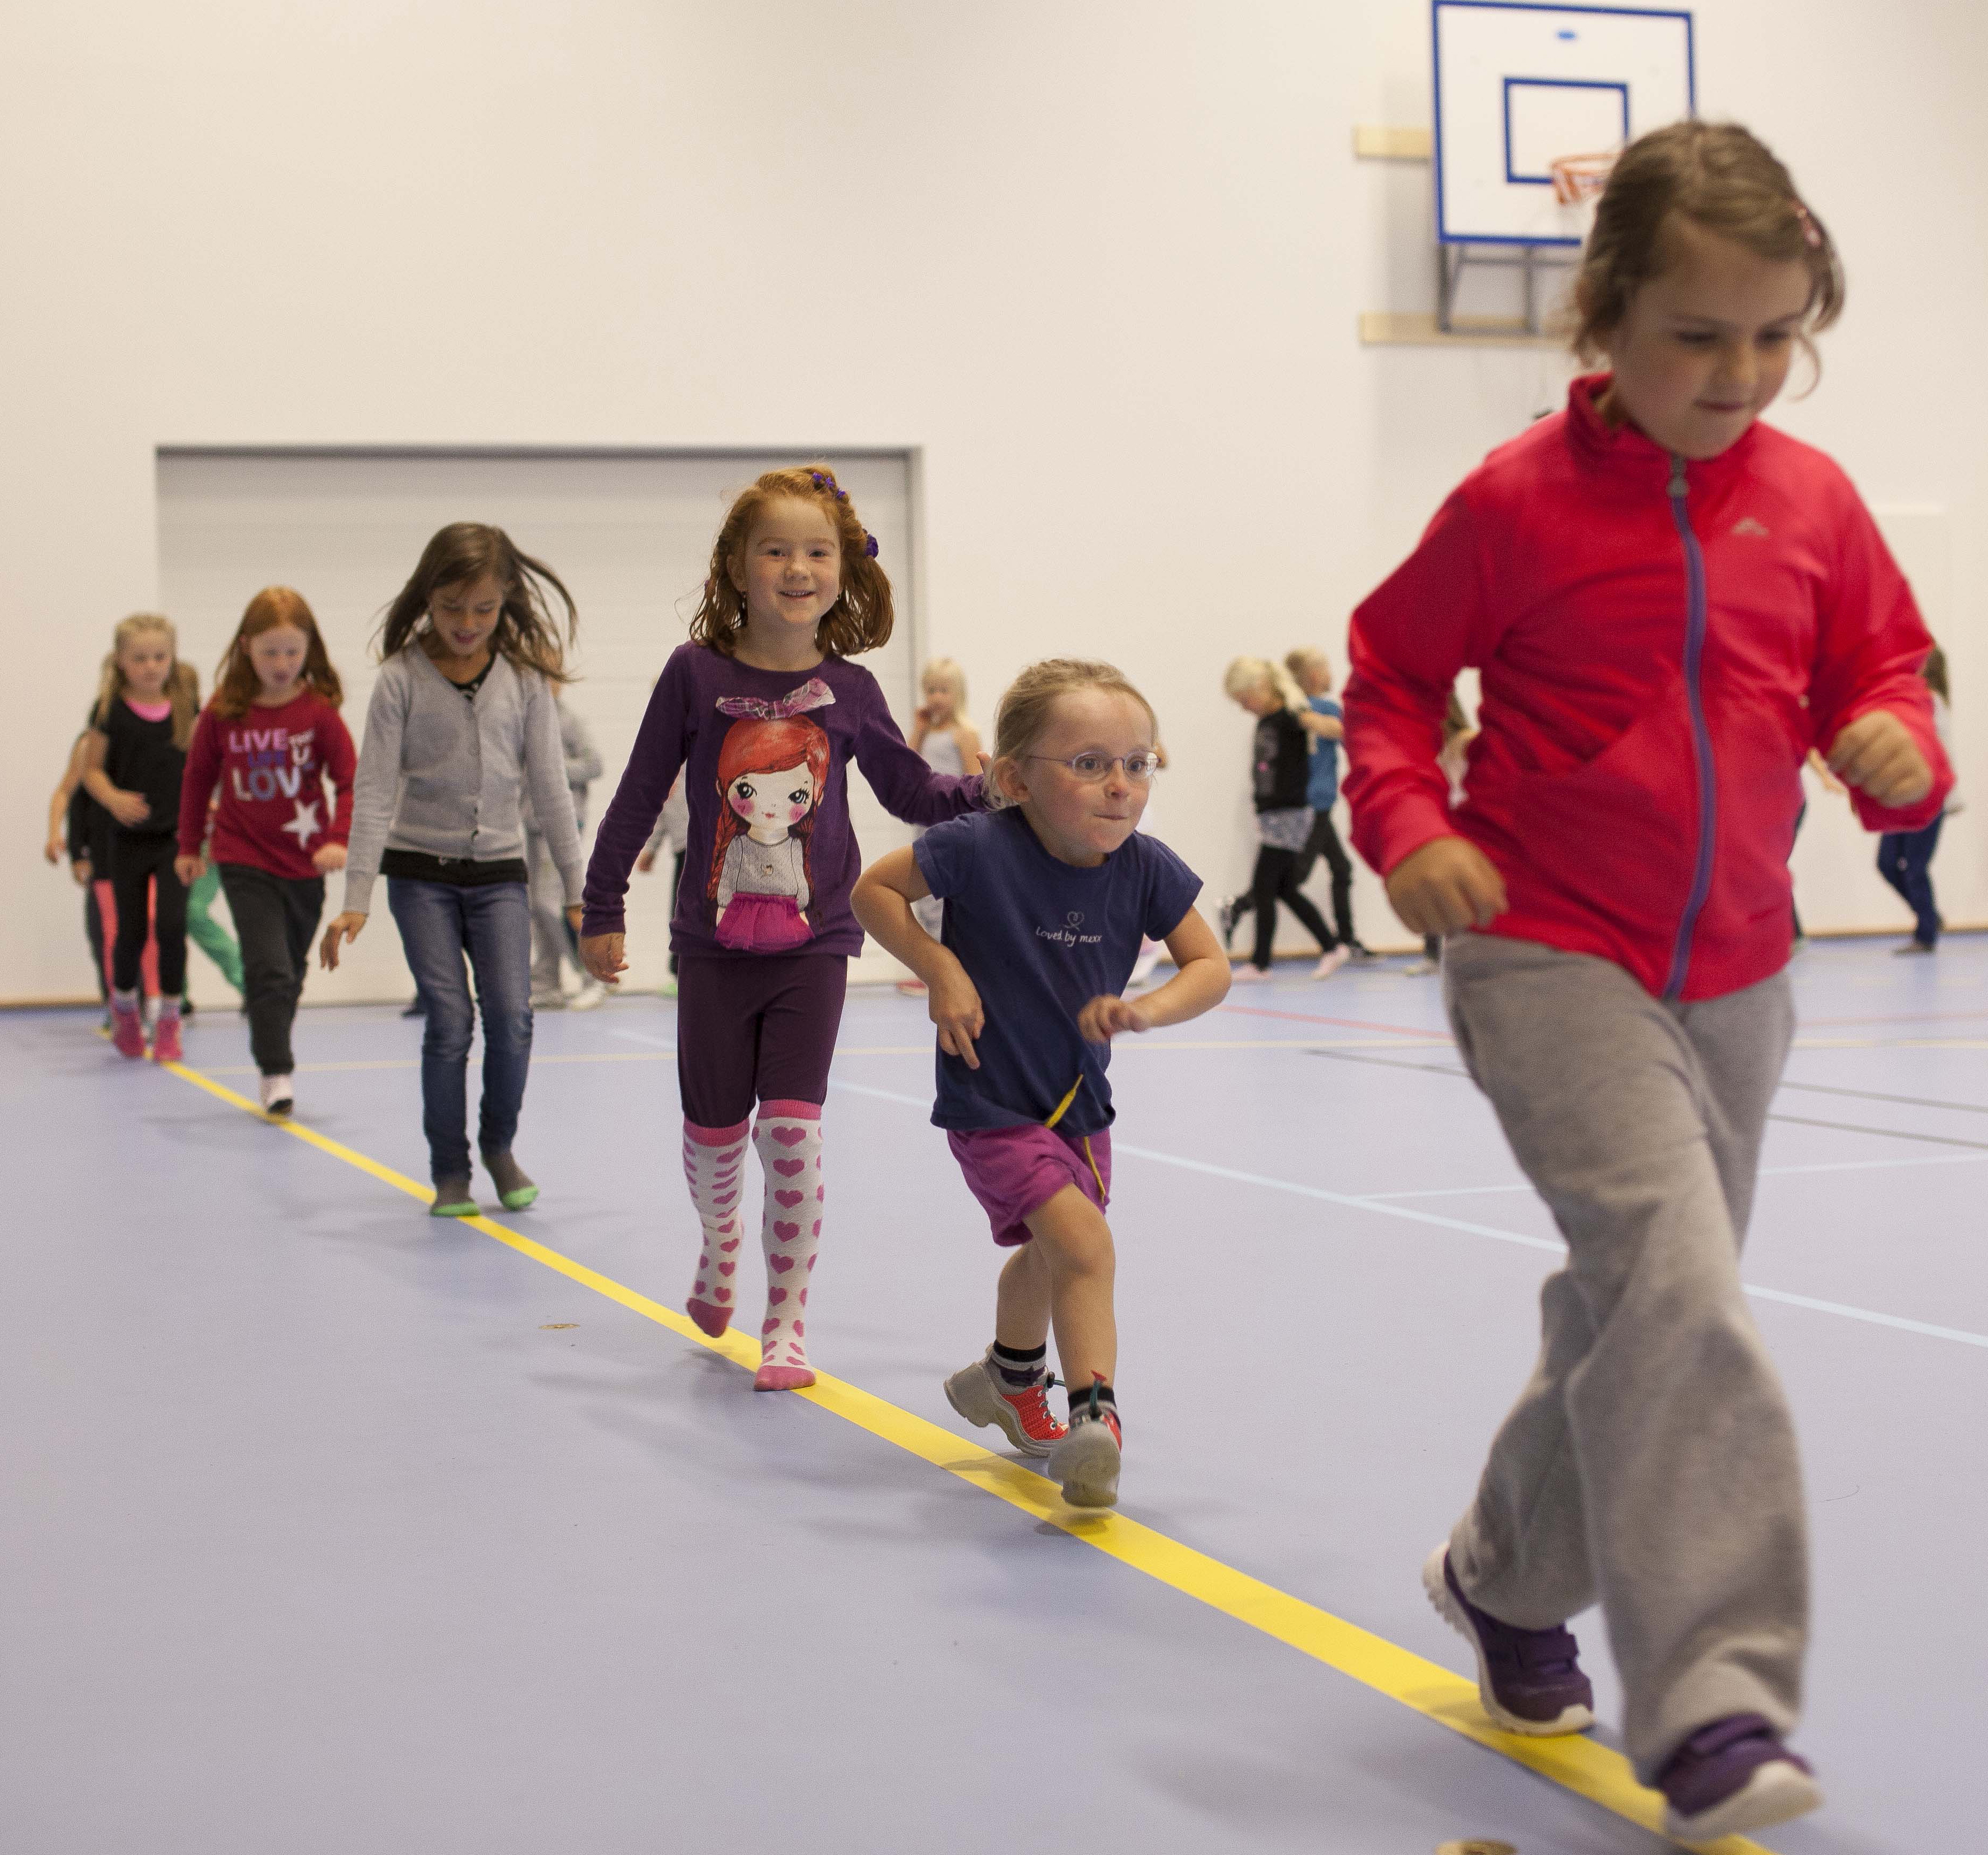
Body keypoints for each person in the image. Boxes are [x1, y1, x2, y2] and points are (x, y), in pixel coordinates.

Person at [1343, 121, 1949, 1845]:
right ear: (1601, 320)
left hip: (1739, 966)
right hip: (1542, 946)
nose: (1739, 373)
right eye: (1696, 334)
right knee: (1677, 1287)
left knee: (1632, 1307)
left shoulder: (1810, 500)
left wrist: (1895, 742)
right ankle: (1711, 1698)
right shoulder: (1512, 503)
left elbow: (1879, 660)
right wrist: (1401, 826)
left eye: (1774, 336)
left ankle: (1499, 1576)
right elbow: (1385, 675)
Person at [579, 465, 986, 1393]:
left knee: (792, 1134)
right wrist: (603, 907)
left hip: (817, 944)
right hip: (713, 949)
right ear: (736, 566)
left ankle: (787, 1322)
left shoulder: (848, 687)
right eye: (776, 549)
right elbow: (640, 794)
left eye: (817, 551)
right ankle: (720, 1243)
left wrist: (987, 789)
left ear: (843, 569)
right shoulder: (694, 675)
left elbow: (912, 790)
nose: (798, 568)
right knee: (716, 1135)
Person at [853, 659, 1227, 1508]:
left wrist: (1152, 1007)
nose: (1120, 786)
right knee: (1085, 1245)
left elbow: (1209, 963)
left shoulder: (1145, 867)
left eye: (1138, 763)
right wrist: (939, 965)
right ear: (1015, 778)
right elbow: (873, 890)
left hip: (1080, 1104)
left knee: (1049, 1248)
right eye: (1090, 763)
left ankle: (1009, 1378)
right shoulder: (975, 846)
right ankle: (1097, 1419)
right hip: (990, 1104)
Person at [320, 523, 585, 1217]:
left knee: (513, 1015)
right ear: (426, 600)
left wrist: (584, 892)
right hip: (420, 875)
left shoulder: (525, 681)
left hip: (499, 871)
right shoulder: (401, 680)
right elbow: (374, 789)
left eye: (483, 610)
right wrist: (356, 895)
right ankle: (450, 1168)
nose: (466, 624)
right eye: (451, 608)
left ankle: (498, 1145)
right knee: (448, 1018)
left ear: (505, 604)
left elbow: (552, 788)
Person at [177, 587, 355, 1116]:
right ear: (247, 647)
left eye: (292, 652)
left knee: (291, 970)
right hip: (242, 854)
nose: (281, 663)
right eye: (270, 652)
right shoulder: (224, 710)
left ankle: (273, 1038)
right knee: (268, 967)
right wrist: (190, 846)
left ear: (309, 651)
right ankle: (275, 1069)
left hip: (304, 860)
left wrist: (338, 837)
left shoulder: (319, 713)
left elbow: (348, 779)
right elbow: (196, 779)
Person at [81, 615, 201, 1063]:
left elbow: (204, 764)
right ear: (121, 661)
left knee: (172, 928)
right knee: (130, 932)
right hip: (128, 840)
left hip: (175, 838)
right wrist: (112, 797)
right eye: (140, 658)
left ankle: (170, 1018)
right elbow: (90, 770)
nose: (151, 666)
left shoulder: (187, 704)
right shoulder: (109, 710)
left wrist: (207, 808)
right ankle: (126, 1008)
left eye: (160, 657)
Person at [1218, 656, 1344, 981]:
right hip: (1275, 814)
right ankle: (1332, 947)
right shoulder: (1267, 721)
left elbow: (1332, 728)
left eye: (1246, 700)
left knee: (1263, 888)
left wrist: (1316, 720)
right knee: (1285, 889)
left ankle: (1261, 964)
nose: (1245, 708)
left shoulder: (1291, 717)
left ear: (1261, 688)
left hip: (1289, 814)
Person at [900, 657, 983, 994]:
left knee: (943, 895)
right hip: (926, 820)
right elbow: (905, 764)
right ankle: (935, 964)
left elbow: (976, 780)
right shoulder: (927, 732)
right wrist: (918, 728)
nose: (936, 696)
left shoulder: (964, 733)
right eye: (930, 689)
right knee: (924, 895)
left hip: (952, 821)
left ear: (958, 694)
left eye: (943, 690)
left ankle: (949, 966)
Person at [1284, 647, 1369, 958]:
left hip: (1317, 804)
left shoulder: (1298, 710)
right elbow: (1348, 734)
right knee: (1292, 879)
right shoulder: (1322, 709)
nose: (1331, 673)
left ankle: (1347, 939)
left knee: (1342, 868)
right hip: (1314, 804)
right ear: (1314, 675)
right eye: (1326, 667)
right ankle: (1242, 904)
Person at [526, 692, 607, 1011]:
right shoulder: (522, 714)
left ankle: (593, 977)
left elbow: (594, 763)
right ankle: (546, 983)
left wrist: (551, 768)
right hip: (529, 820)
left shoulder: (566, 718)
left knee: (551, 904)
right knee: (536, 905)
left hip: (562, 818)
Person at [1878, 645, 1959, 953]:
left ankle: (1926, 935)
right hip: (1902, 798)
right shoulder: (1914, 700)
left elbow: (1925, 748)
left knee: (1915, 866)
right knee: (1887, 863)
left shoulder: (1932, 702)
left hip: (1927, 798)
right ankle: (1930, 917)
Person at [1404, 693, 1478, 975]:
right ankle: (1433, 952)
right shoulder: (1436, 751)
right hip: (1448, 825)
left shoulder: (1466, 741)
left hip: (1469, 828)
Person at [637, 773, 691, 997]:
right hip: (682, 847)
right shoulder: (670, 768)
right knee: (679, 911)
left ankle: (689, 972)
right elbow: (661, 809)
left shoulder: (699, 760)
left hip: (704, 844)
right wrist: (651, 848)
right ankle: (680, 971)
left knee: (692, 912)